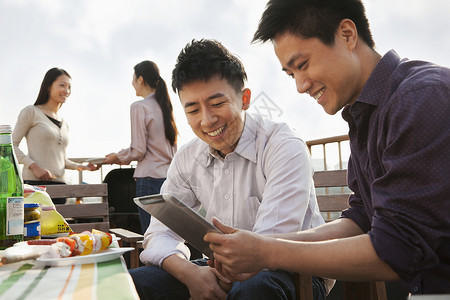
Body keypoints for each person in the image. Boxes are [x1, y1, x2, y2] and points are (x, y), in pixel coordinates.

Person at [204, 0, 450, 296]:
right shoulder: (367, 112)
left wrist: (267, 253)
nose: (300, 85)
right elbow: (362, 218)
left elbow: (398, 247)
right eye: (290, 74)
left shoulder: (419, 97)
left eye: (302, 65)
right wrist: (261, 246)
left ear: (347, 34)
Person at [129, 39, 329, 300]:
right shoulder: (188, 157)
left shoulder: (282, 145)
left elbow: (273, 241)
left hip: (292, 270)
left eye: (217, 103)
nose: (207, 120)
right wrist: (190, 274)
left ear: (244, 99)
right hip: (218, 267)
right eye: (192, 109)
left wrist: (217, 278)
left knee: (253, 289)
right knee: (132, 284)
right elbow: (159, 232)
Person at [103, 60, 178, 234]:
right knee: (167, 236)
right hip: (167, 179)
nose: (132, 83)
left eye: (133, 78)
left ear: (141, 79)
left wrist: (117, 157)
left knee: (151, 236)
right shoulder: (165, 106)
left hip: (149, 180)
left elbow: (138, 150)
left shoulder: (139, 107)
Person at [12, 68, 99, 204]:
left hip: (60, 186)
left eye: (69, 87)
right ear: (48, 86)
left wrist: (81, 167)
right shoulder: (31, 112)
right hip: (35, 184)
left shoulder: (64, 123)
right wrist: (34, 166)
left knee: (57, 226)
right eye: (62, 85)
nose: (67, 91)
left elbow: (61, 159)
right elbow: (11, 145)